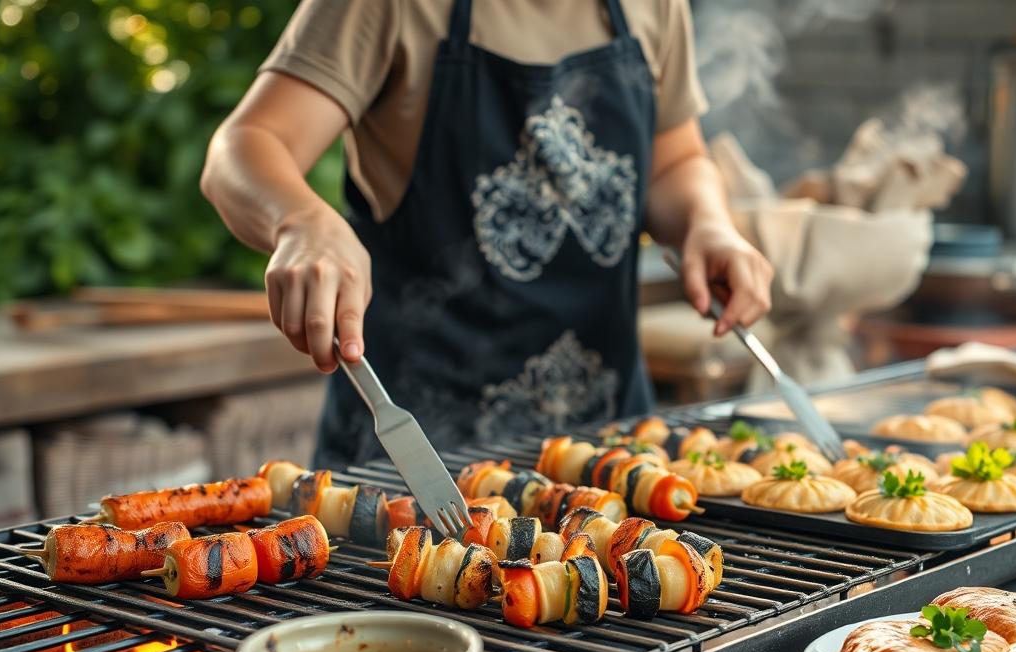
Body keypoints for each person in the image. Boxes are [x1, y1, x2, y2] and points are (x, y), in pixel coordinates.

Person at [202, 0, 773, 469]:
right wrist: (301, 221)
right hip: (420, 462)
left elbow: (674, 163)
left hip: (613, 451)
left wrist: (709, 224)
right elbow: (247, 145)